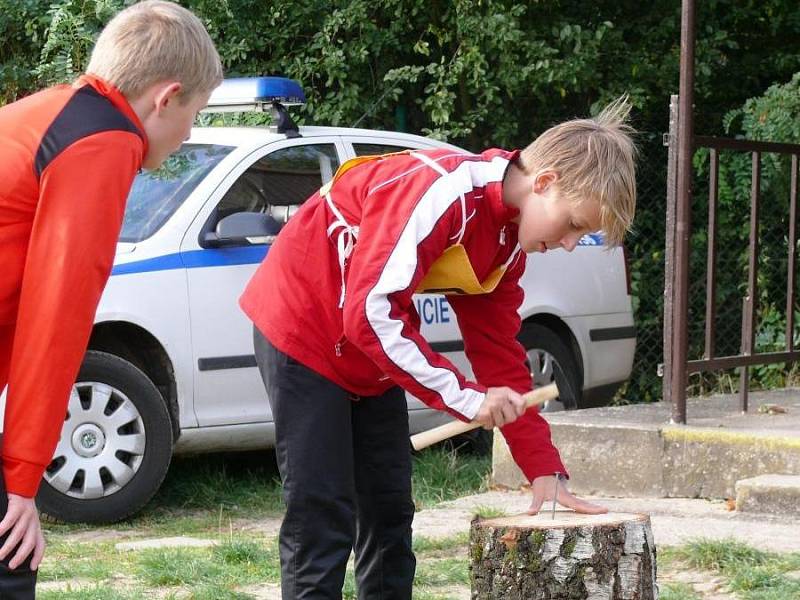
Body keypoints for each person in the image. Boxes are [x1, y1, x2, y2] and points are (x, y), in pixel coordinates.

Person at [241, 97, 637, 599]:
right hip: (304, 328)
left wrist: (543, 470)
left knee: (387, 511)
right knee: (322, 513)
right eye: (574, 224)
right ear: (545, 182)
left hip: (367, 353)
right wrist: (470, 400)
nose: (566, 244)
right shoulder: (442, 193)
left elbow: (501, 362)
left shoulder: (506, 243)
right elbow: (370, 311)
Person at [0, 1, 222, 595]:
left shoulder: (54, 112)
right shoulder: (103, 141)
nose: (190, 134)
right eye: (196, 114)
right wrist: (23, 482)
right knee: (9, 563)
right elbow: (57, 318)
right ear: (166, 96)